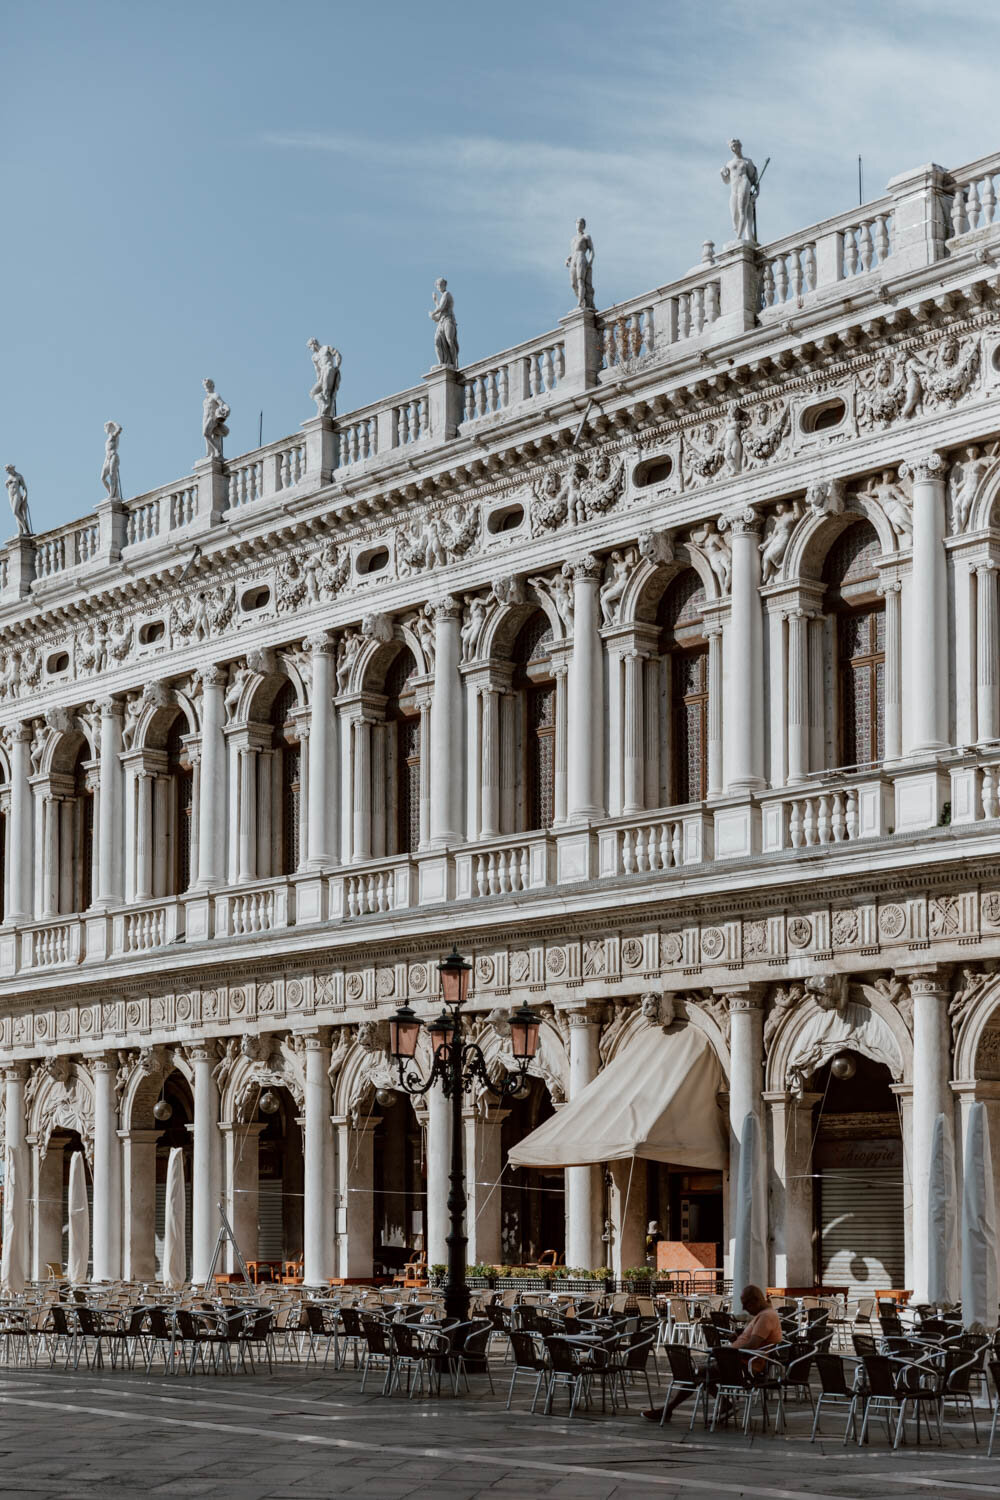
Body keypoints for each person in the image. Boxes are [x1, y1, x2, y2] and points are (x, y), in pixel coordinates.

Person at [642, 1283, 782, 1422]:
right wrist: (738, 1337)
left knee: (699, 1373)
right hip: (737, 1363)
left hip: (744, 1367)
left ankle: (669, 1410)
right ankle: (674, 1409)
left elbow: (752, 1345)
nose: (744, 1308)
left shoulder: (766, 1317)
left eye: (746, 1304)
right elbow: (753, 1340)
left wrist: (726, 1354)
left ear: (756, 1300)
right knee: (699, 1372)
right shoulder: (763, 1315)